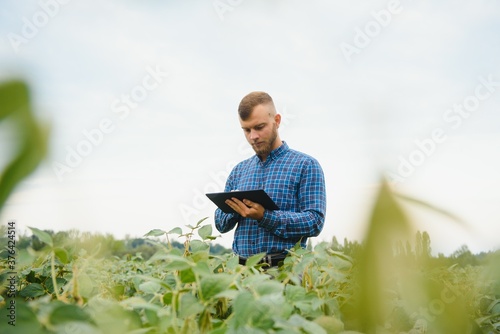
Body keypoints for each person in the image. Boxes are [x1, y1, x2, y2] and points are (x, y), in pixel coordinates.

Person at [214, 91, 327, 267]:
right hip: (241, 272)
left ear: (277, 121)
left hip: (284, 271)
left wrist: (265, 216)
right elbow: (220, 225)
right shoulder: (238, 171)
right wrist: (236, 207)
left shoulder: (306, 165)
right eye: (246, 130)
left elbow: (315, 222)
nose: (253, 136)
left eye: (259, 127)